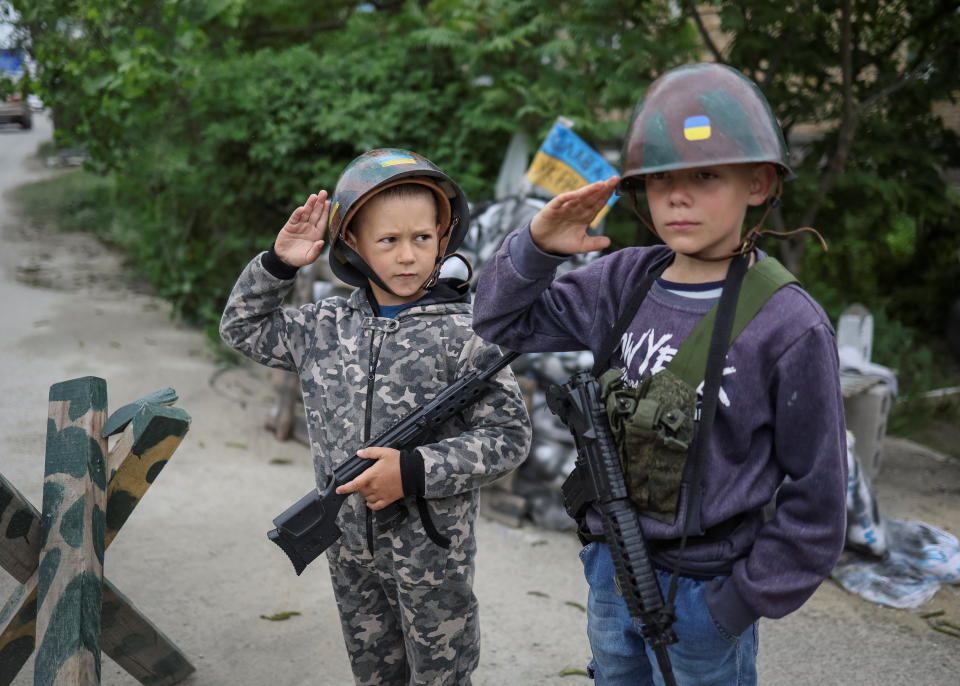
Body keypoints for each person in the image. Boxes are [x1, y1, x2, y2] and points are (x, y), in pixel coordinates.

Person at [472, 63, 847, 685]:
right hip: (611, 570)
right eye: (661, 178)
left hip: (710, 591)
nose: (677, 195)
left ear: (758, 182)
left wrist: (736, 605)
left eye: (705, 176)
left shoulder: (788, 323)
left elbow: (819, 495)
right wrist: (537, 243)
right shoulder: (623, 280)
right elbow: (498, 321)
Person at [220, 148, 531, 686]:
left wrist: (413, 471)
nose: (408, 256)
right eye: (388, 240)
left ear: (443, 238)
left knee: (442, 676)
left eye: (422, 238)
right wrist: (279, 263)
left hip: (432, 555)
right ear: (353, 246)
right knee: (374, 673)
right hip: (345, 543)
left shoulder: (465, 334)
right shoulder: (323, 326)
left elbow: (508, 437)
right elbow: (241, 328)